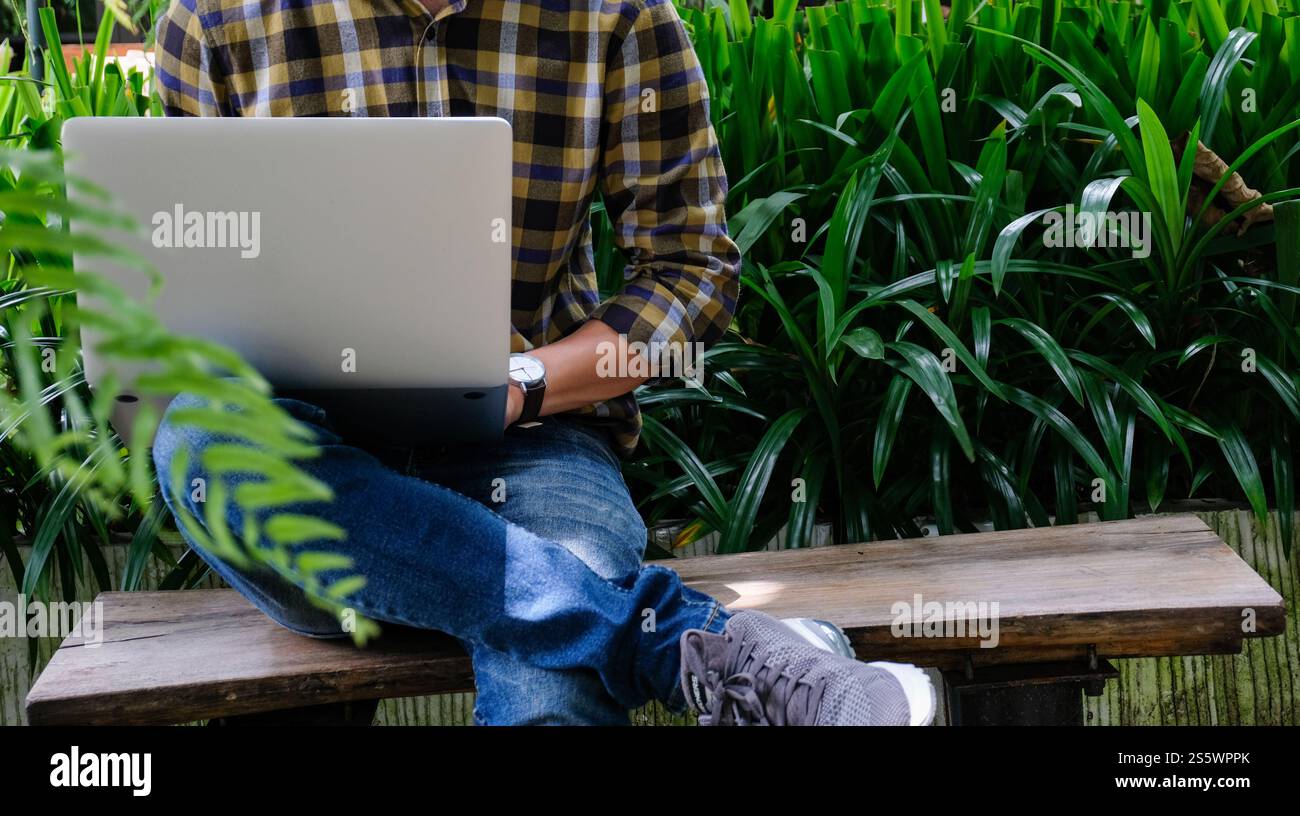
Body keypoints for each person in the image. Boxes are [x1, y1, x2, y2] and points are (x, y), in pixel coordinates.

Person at [151, 0, 935, 725]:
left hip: (534, 435)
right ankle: (695, 649)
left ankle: (662, 640)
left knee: (550, 697)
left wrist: (525, 383)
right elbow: (193, 286)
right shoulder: (214, 21)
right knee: (199, 443)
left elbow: (690, 270)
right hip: (313, 455)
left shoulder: (621, 16)